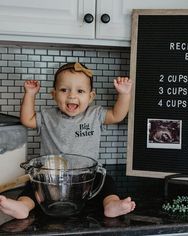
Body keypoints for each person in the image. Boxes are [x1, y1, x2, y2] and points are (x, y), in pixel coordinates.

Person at [0, 62, 136, 219]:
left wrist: (124, 94)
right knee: (32, 187)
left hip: (86, 176)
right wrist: (30, 94)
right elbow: (27, 119)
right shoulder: (47, 116)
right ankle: (23, 206)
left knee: (106, 183)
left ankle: (111, 204)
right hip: (51, 177)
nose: (72, 95)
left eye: (80, 91)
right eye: (64, 90)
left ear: (91, 96)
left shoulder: (95, 115)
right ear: (54, 94)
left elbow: (117, 115)